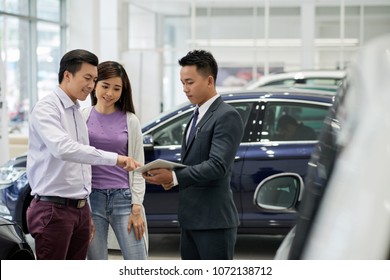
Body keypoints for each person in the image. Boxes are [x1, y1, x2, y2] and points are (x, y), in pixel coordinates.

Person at [26, 49, 140, 260]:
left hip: (78, 209)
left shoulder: (76, 111)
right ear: (67, 75)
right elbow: (64, 149)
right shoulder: (47, 108)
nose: (91, 85)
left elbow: (82, 166)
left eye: (94, 79)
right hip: (53, 209)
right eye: (87, 78)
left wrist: (84, 208)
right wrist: (115, 158)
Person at [142, 50, 244, 260]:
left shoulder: (226, 116)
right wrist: (172, 176)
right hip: (190, 219)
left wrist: (174, 176)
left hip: (213, 221)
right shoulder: (195, 115)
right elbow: (194, 162)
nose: (185, 89)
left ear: (209, 80)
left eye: (190, 82)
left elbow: (217, 166)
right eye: (182, 83)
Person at [82, 61, 148, 260]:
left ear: (123, 90)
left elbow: (138, 166)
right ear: (95, 84)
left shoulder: (130, 120)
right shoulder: (81, 117)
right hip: (92, 200)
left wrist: (136, 206)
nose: (110, 93)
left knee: (137, 262)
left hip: (124, 201)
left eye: (116, 88)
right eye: (105, 86)